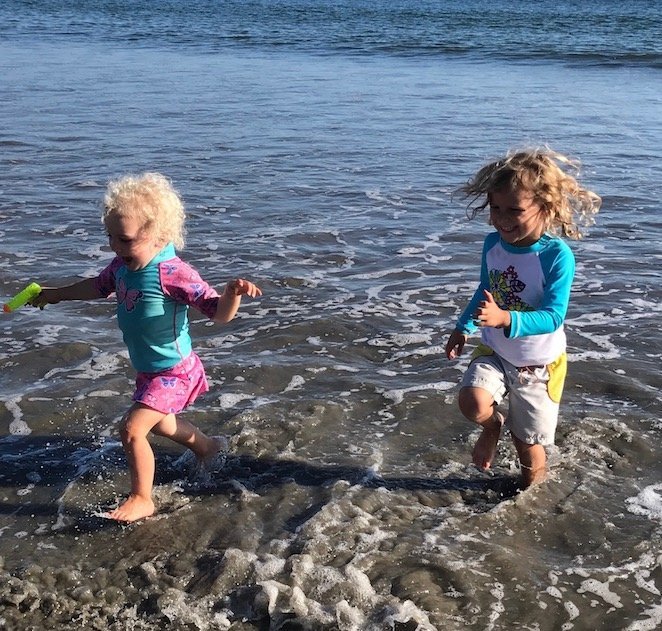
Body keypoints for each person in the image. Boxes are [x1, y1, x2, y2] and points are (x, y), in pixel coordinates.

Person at [32, 172, 262, 522]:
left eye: (124, 240)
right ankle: (209, 447)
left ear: (159, 235)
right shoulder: (121, 267)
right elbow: (95, 286)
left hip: (174, 371)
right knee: (162, 425)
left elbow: (218, 314)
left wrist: (232, 294)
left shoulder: (172, 273)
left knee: (132, 428)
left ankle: (142, 497)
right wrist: (55, 295)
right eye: (110, 237)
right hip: (150, 369)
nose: (115, 247)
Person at [445, 148, 601, 488]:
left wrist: (506, 319)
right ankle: (491, 426)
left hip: (538, 364)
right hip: (497, 352)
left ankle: (531, 496)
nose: (502, 219)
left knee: (527, 446)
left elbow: (553, 316)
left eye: (514, 210)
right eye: (496, 208)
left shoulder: (555, 256)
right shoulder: (493, 245)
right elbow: (486, 289)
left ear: (546, 209)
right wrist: (463, 327)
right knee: (472, 401)